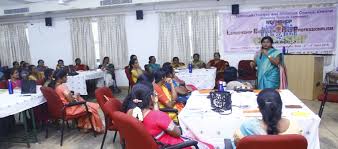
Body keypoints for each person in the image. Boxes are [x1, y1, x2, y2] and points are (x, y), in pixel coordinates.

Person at [124, 83, 214, 149]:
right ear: (151, 98)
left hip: (154, 143)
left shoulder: (129, 113)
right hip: (171, 146)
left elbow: (154, 120)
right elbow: (177, 133)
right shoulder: (157, 116)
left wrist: (155, 104)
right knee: (207, 145)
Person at [233, 88, 302, 147]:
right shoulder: (294, 127)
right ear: (280, 106)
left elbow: (237, 144)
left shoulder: (248, 126)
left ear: (259, 108)